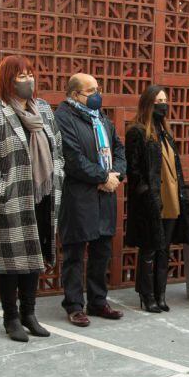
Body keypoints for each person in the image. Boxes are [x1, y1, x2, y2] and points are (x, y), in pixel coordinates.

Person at [0, 55, 64, 342]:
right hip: (9, 200)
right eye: (19, 76)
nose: (27, 80)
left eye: (29, 74)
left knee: (34, 257)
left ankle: (30, 313)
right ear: (7, 80)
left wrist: (56, 176)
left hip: (42, 196)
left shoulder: (45, 110)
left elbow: (57, 148)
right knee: (10, 262)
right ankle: (11, 318)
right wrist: (1, 188)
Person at [54, 73, 126, 326]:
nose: (97, 94)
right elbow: (72, 158)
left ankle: (98, 301)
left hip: (105, 195)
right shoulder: (63, 118)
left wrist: (117, 173)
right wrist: (102, 177)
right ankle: (74, 305)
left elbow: (118, 148)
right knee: (74, 253)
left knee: (101, 251)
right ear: (75, 94)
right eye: (91, 90)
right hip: (79, 195)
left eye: (98, 88)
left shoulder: (100, 117)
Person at [125, 85, 189, 313]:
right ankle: (147, 295)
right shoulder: (136, 132)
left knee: (164, 248)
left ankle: (160, 294)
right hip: (150, 202)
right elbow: (134, 171)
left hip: (171, 198)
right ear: (148, 104)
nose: (163, 104)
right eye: (158, 101)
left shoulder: (166, 133)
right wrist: (146, 195)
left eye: (165, 100)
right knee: (149, 248)